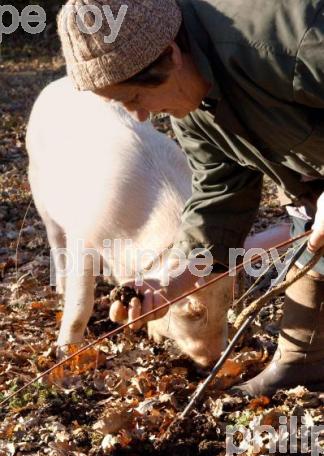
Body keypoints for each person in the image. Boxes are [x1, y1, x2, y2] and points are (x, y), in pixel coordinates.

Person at [57, 0, 324, 396]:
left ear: (170, 54)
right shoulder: (191, 98)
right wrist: (177, 280)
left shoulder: (289, 39)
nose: (141, 117)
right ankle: (304, 363)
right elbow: (221, 190)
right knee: (311, 230)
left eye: (134, 99)